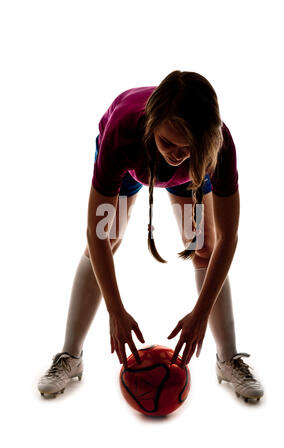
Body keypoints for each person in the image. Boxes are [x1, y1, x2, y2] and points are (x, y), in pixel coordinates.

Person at [38, 70, 264, 403]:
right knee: (109, 237)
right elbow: (96, 234)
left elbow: (229, 238)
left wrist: (200, 314)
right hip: (133, 166)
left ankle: (228, 360)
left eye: (186, 146)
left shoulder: (217, 146)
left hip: (191, 176)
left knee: (204, 246)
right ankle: (69, 356)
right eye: (168, 142)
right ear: (151, 126)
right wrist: (116, 311)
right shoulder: (124, 135)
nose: (176, 153)